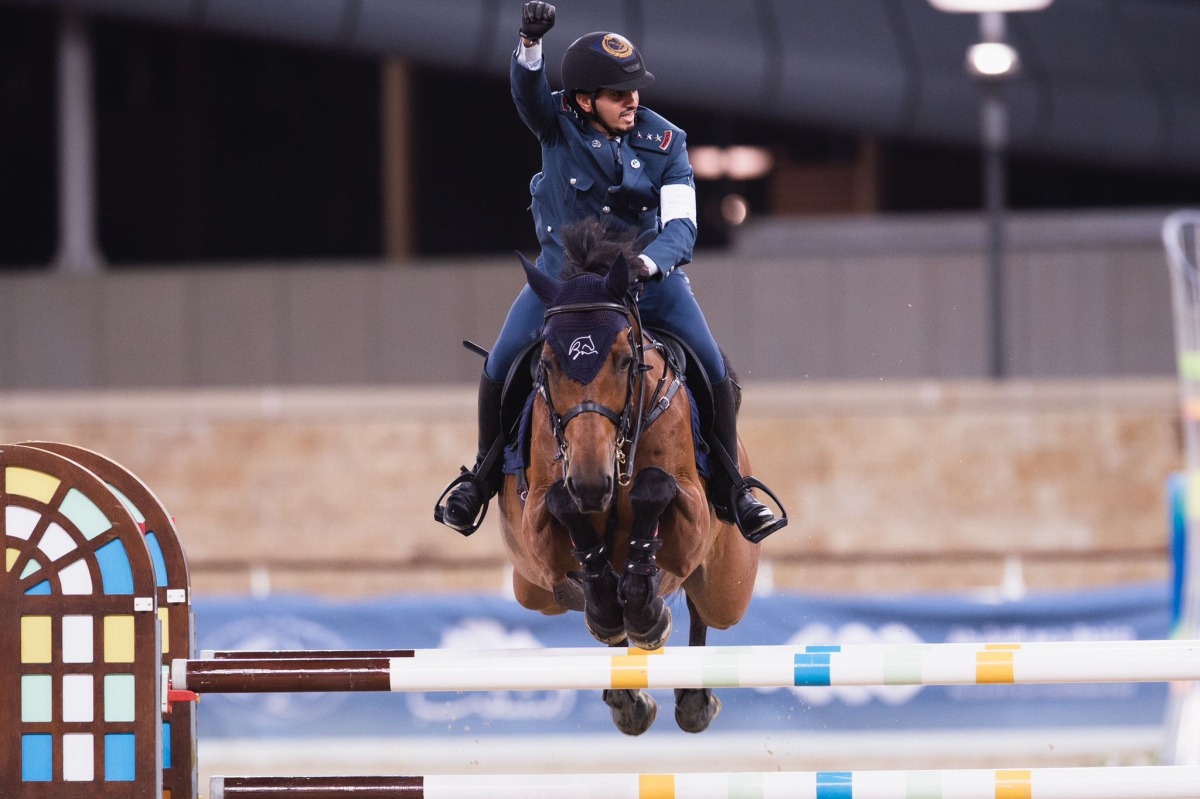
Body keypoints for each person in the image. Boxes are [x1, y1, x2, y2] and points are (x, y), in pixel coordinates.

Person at [435, 1, 785, 542]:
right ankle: (478, 478)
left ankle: (735, 487)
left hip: (646, 285)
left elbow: (682, 227)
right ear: (583, 100)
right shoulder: (555, 124)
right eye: (619, 95)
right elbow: (526, 92)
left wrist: (648, 263)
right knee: (502, 362)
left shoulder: (668, 142)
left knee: (712, 366)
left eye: (635, 91)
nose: (633, 102)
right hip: (564, 288)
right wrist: (529, 45)